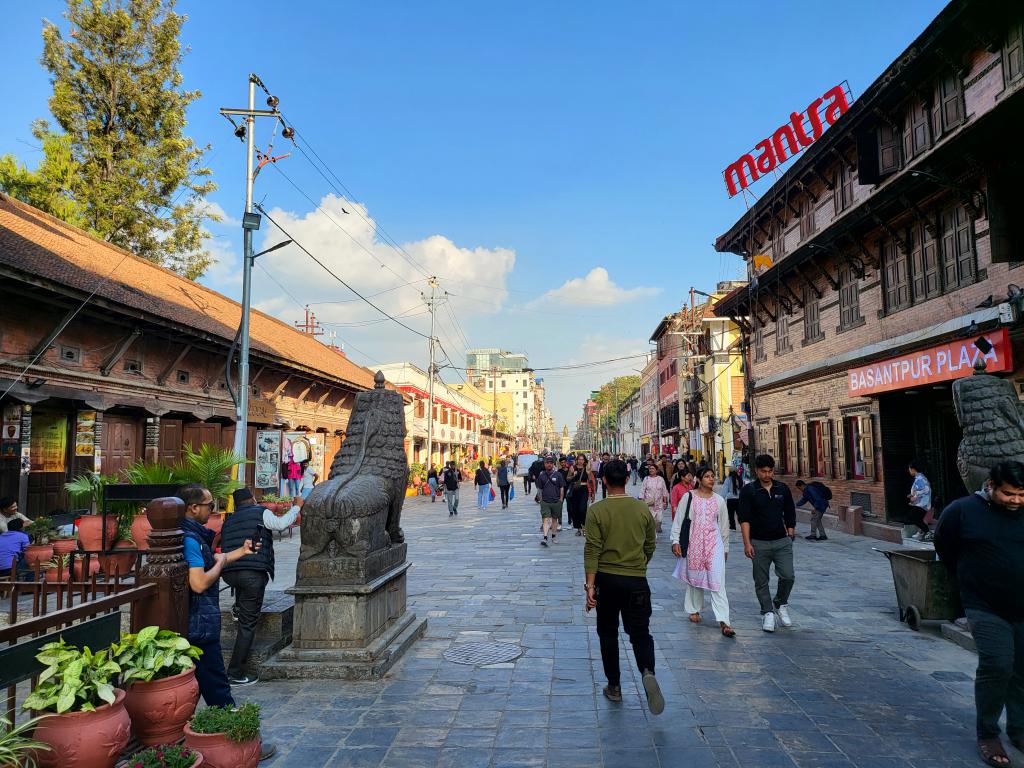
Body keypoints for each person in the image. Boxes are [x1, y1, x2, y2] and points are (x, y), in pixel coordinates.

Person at [934, 461, 1024, 768]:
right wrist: (971, 579)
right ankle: (988, 733)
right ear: (991, 487)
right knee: (997, 664)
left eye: (1022, 495)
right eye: (1010, 494)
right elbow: (945, 547)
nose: (1016, 501)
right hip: (984, 605)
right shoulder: (962, 511)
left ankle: (1020, 729)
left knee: (1022, 669)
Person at [584, 459, 663, 714]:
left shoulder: (596, 511)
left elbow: (592, 550)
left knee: (608, 633)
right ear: (627, 480)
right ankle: (647, 670)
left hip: (607, 580)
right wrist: (639, 565)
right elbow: (650, 545)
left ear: (604, 480)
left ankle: (614, 686)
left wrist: (589, 586)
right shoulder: (641, 509)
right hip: (636, 580)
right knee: (640, 632)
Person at [220, 488, 300, 685]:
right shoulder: (260, 512)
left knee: (243, 596)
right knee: (247, 625)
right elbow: (281, 524)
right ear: (253, 499)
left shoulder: (229, 520)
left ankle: (239, 608)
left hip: (230, 573)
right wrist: (297, 507)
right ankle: (236, 673)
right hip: (252, 573)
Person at [671, 466, 735, 638]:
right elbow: (679, 520)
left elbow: (724, 527)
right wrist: (675, 541)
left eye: (712, 476)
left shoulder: (719, 501)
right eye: (707, 476)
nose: (711, 479)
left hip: (714, 545)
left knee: (717, 581)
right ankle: (694, 609)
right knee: (695, 578)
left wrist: (726, 548)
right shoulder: (689, 497)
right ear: (699, 479)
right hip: (694, 543)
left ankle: (724, 620)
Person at [738, 454, 796, 633]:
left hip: (781, 541)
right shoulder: (749, 491)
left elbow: (790, 510)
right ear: (756, 471)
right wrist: (747, 543)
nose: (767, 475)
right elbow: (744, 519)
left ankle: (780, 603)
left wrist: (791, 529)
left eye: (770, 471)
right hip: (759, 542)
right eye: (763, 471)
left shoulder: (782, 488)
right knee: (761, 580)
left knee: (788, 575)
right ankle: (767, 612)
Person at [537, 456, 566, 547]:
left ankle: (553, 536)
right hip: (545, 501)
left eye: (550, 463)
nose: (549, 464)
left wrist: (561, 499)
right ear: (545, 464)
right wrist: (540, 500)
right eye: (547, 463)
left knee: (554, 519)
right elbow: (539, 489)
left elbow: (562, 487)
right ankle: (545, 537)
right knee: (545, 519)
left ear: (553, 464)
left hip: (556, 501)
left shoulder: (558, 475)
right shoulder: (542, 475)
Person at [566, 454, 596, 536]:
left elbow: (590, 481)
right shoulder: (572, 468)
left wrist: (593, 493)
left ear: (584, 460)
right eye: (579, 459)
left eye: (582, 459)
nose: (581, 461)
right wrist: (573, 476)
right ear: (577, 460)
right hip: (575, 490)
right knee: (575, 509)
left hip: (584, 490)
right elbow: (567, 478)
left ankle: (584, 527)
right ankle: (578, 528)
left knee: (583, 509)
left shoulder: (587, 468)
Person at [907, 461, 933, 541]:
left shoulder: (920, 478)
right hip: (921, 503)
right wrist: (912, 495)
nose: (909, 471)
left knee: (913, 517)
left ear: (913, 469)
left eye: (909, 469)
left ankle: (928, 532)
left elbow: (926, 490)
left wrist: (915, 496)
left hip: (923, 503)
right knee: (917, 518)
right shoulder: (919, 478)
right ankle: (923, 532)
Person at [640, 463, 669, 533]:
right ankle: (653, 536)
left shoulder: (661, 479)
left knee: (659, 519)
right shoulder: (646, 479)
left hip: (659, 503)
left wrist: (665, 502)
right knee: (651, 520)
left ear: (656, 470)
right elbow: (642, 490)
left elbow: (664, 491)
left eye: (653, 468)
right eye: (650, 469)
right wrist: (642, 501)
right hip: (649, 504)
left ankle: (657, 528)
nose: (651, 470)